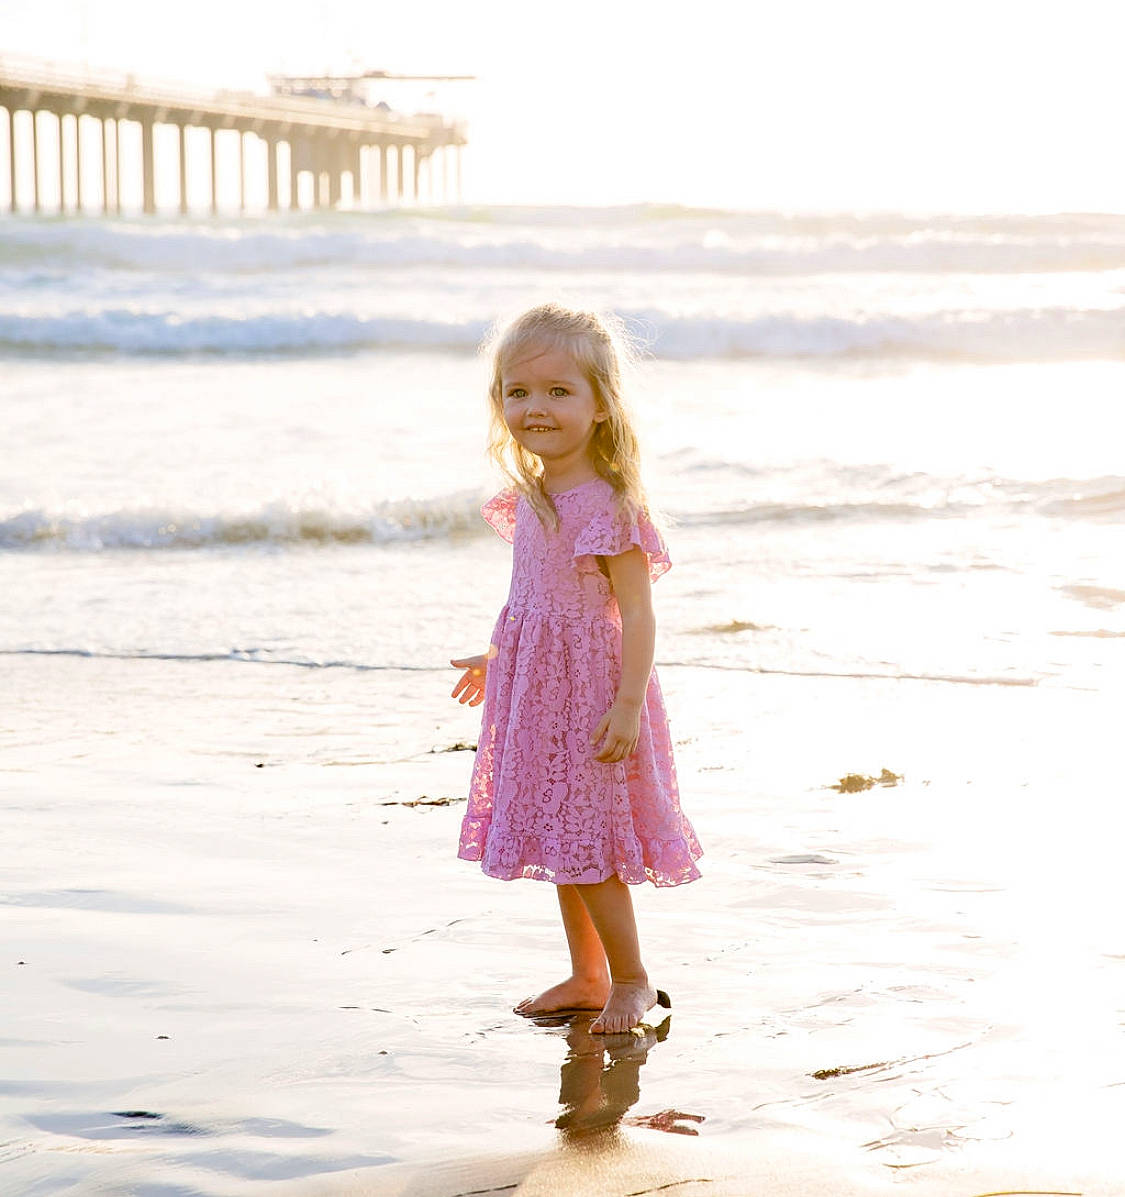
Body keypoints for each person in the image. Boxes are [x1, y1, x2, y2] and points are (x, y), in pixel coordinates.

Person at [449, 303, 702, 1034]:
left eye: (560, 392)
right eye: (518, 392)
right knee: (563, 837)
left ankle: (631, 979)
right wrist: (498, 658)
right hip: (536, 694)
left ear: (599, 407)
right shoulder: (531, 495)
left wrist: (626, 703)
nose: (536, 407)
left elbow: (637, 613)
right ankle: (587, 973)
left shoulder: (609, 506)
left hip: (593, 697)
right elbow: (533, 599)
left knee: (592, 838)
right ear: (498, 402)